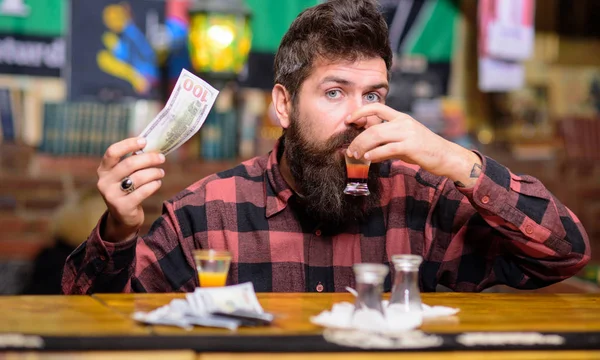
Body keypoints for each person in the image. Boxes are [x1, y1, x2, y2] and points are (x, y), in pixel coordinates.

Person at [62, 0, 590, 294]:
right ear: (283, 105)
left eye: (374, 95)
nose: (359, 115)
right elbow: (92, 319)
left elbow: (565, 254)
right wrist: (116, 232)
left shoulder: (422, 202)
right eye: (334, 92)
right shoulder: (206, 212)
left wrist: (457, 161)